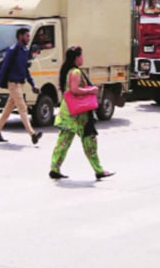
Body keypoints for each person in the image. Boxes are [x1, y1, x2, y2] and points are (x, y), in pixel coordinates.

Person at [48, 46, 114, 180]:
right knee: (90, 141)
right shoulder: (76, 72)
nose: (83, 58)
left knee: (63, 142)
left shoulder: (68, 71)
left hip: (69, 112)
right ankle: (98, 170)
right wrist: (91, 91)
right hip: (79, 114)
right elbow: (74, 90)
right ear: (76, 58)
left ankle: (54, 168)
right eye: (81, 55)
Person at [0, 28, 43, 145]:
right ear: (20, 36)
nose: (29, 38)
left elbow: (25, 70)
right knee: (22, 108)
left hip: (20, 83)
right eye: (27, 36)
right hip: (13, 84)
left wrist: (33, 84)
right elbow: (4, 68)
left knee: (8, 109)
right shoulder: (12, 50)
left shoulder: (25, 50)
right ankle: (32, 134)